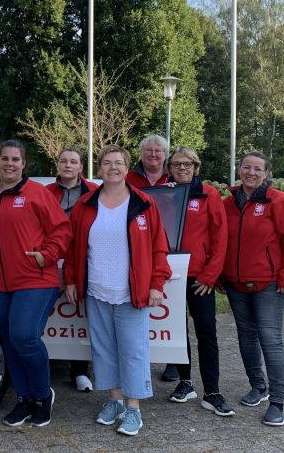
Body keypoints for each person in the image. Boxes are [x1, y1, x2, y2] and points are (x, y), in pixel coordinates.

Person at [64, 144, 171, 437]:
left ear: (127, 168)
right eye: (107, 163)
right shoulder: (85, 205)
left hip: (131, 293)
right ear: (99, 169)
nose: (113, 168)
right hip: (97, 290)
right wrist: (72, 280)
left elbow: (159, 249)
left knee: (133, 351)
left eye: (119, 163)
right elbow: (74, 247)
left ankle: (134, 408)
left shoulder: (143, 204)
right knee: (104, 350)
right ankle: (115, 402)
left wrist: (156, 284)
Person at [0, 140, 72, 428]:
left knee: (25, 336)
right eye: (5, 158)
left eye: (16, 159)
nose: (10, 164)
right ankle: (24, 399)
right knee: (11, 341)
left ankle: (42, 395)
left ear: (24, 164)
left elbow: (63, 230)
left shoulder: (36, 194)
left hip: (35, 279)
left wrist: (46, 256)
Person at [222, 152, 284, 427]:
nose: (251, 173)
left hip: (269, 283)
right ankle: (259, 386)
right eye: (246, 167)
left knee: (270, 338)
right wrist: (221, 276)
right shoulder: (228, 203)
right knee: (246, 336)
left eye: (257, 169)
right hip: (236, 283)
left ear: (266, 173)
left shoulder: (277, 201)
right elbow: (221, 241)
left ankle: (277, 401)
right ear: (238, 169)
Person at [163, 147, 234, 416]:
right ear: (169, 168)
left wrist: (209, 275)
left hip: (199, 278)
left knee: (206, 333)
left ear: (196, 167)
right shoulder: (164, 193)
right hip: (171, 275)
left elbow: (220, 238)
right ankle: (185, 382)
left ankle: (212, 391)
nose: (183, 168)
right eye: (177, 164)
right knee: (177, 333)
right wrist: (167, 196)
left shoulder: (209, 195)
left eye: (188, 164)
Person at [45, 148, 96, 393]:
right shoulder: (44, 193)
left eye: (73, 161)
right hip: (51, 260)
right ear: (57, 165)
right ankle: (45, 366)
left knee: (79, 316)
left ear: (80, 167)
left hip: (83, 259)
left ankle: (80, 371)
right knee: (49, 316)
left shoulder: (94, 192)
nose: (68, 165)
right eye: (63, 161)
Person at [126, 134, 177, 382]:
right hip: (135, 250)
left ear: (165, 155)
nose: (154, 155)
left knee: (175, 314)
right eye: (149, 151)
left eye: (158, 151)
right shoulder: (127, 179)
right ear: (141, 154)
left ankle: (173, 362)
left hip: (171, 250)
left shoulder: (176, 178)